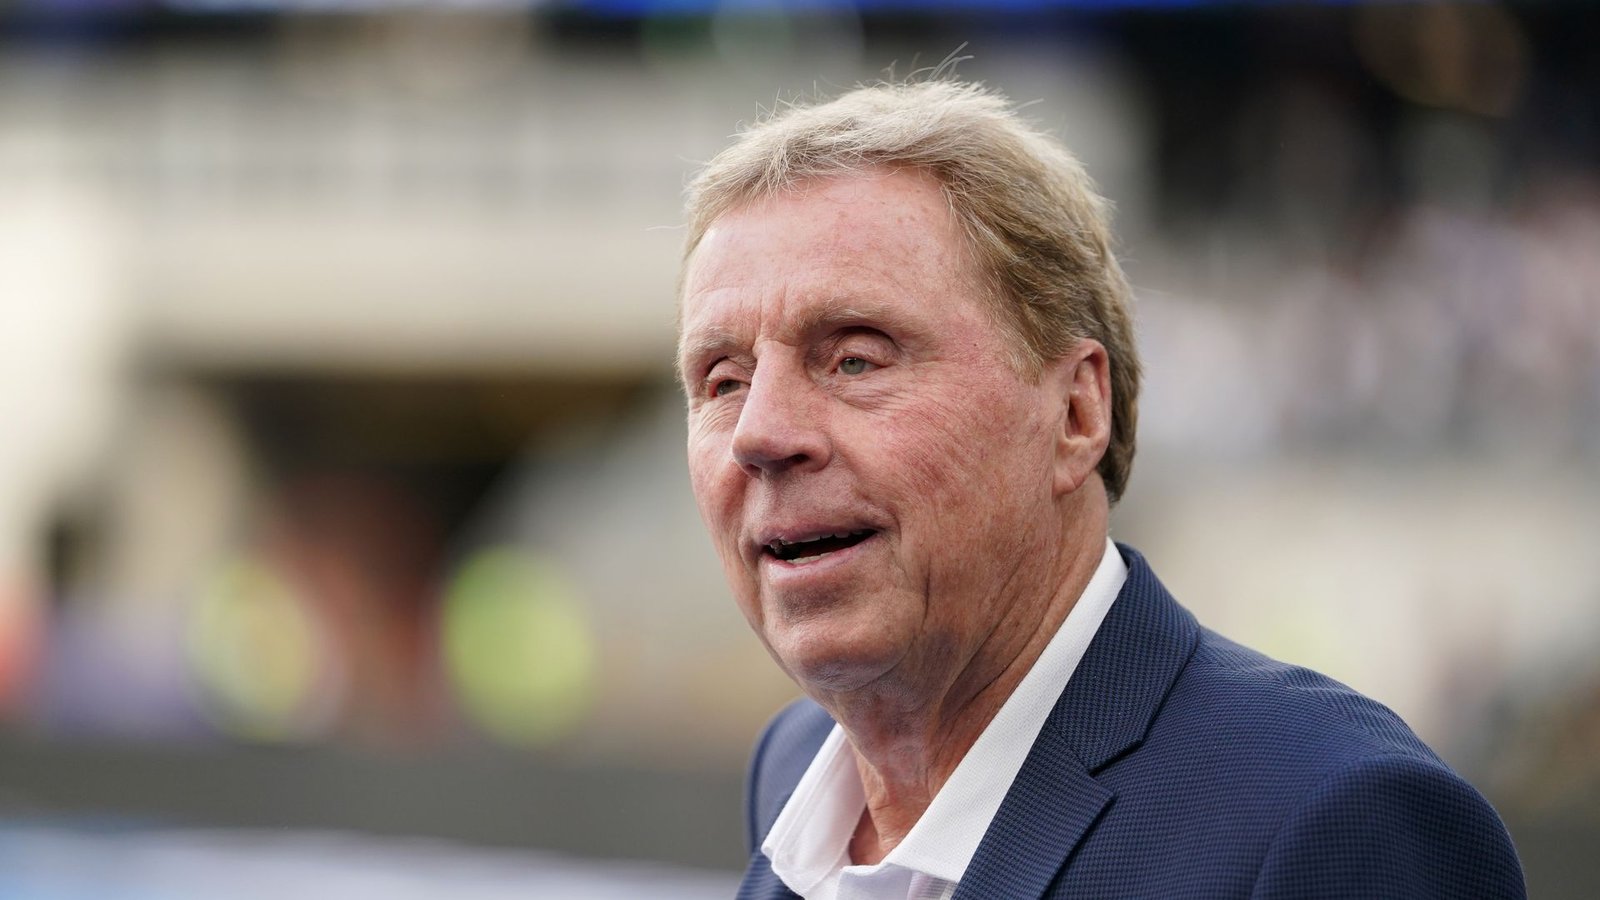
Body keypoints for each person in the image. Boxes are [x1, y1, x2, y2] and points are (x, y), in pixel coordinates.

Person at [675, 79, 1524, 900]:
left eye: (856, 359)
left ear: (1077, 412)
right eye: (723, 381)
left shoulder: (1337, 819)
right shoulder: (793, 767)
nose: (760, 435)